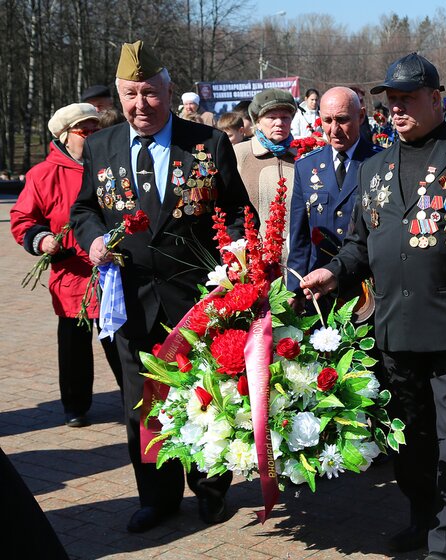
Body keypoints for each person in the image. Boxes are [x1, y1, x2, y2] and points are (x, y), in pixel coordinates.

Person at [300, 52, 446, 560]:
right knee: (408, 440)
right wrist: (335, 271)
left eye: (408, 98)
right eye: (392, 100)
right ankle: (422, 517)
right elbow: (363, 245)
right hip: (395, 329)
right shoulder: (374, 168)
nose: (398, 109)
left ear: (436, 99)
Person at [70, 40, 251, 533]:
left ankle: (212, 490)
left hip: (197, 302)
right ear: (120, 95)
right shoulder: (101, 147)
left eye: (150, 93)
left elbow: (237, 211)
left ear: (168, 92)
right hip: (129, 301)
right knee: (143, 403)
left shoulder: (206, 143)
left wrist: (235, 254)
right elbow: (84, 208)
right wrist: (91, 243)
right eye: (130, 95)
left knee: (206, 395)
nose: (140, 105)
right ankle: (157, 496)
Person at [10, 103, 123, 428]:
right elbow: (22, 218)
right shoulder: (44, 174)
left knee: (119, 339)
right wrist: (42, 239)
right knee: (73, 345)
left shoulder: (111, 165)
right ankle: (75, 404)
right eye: (83, 131)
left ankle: (135, 397)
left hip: (115, 273)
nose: (91, 137)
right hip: (73, 275)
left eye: (95, 130)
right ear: (64, 136)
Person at [287, 86, 379, 293]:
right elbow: (300, 236)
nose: (334, 130)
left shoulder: (380, 163)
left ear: (361, 116)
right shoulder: (306, 167)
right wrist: (294, 289)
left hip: (367, 286)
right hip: (318, 288)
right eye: (327, 121)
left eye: (343, 120)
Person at [234, 88, 297, 266]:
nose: (279, 123)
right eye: (271, 117)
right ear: (257, 122)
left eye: (285, 117)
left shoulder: (304, 155)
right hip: (254, 263)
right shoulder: (239, 155)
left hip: (297, 264)